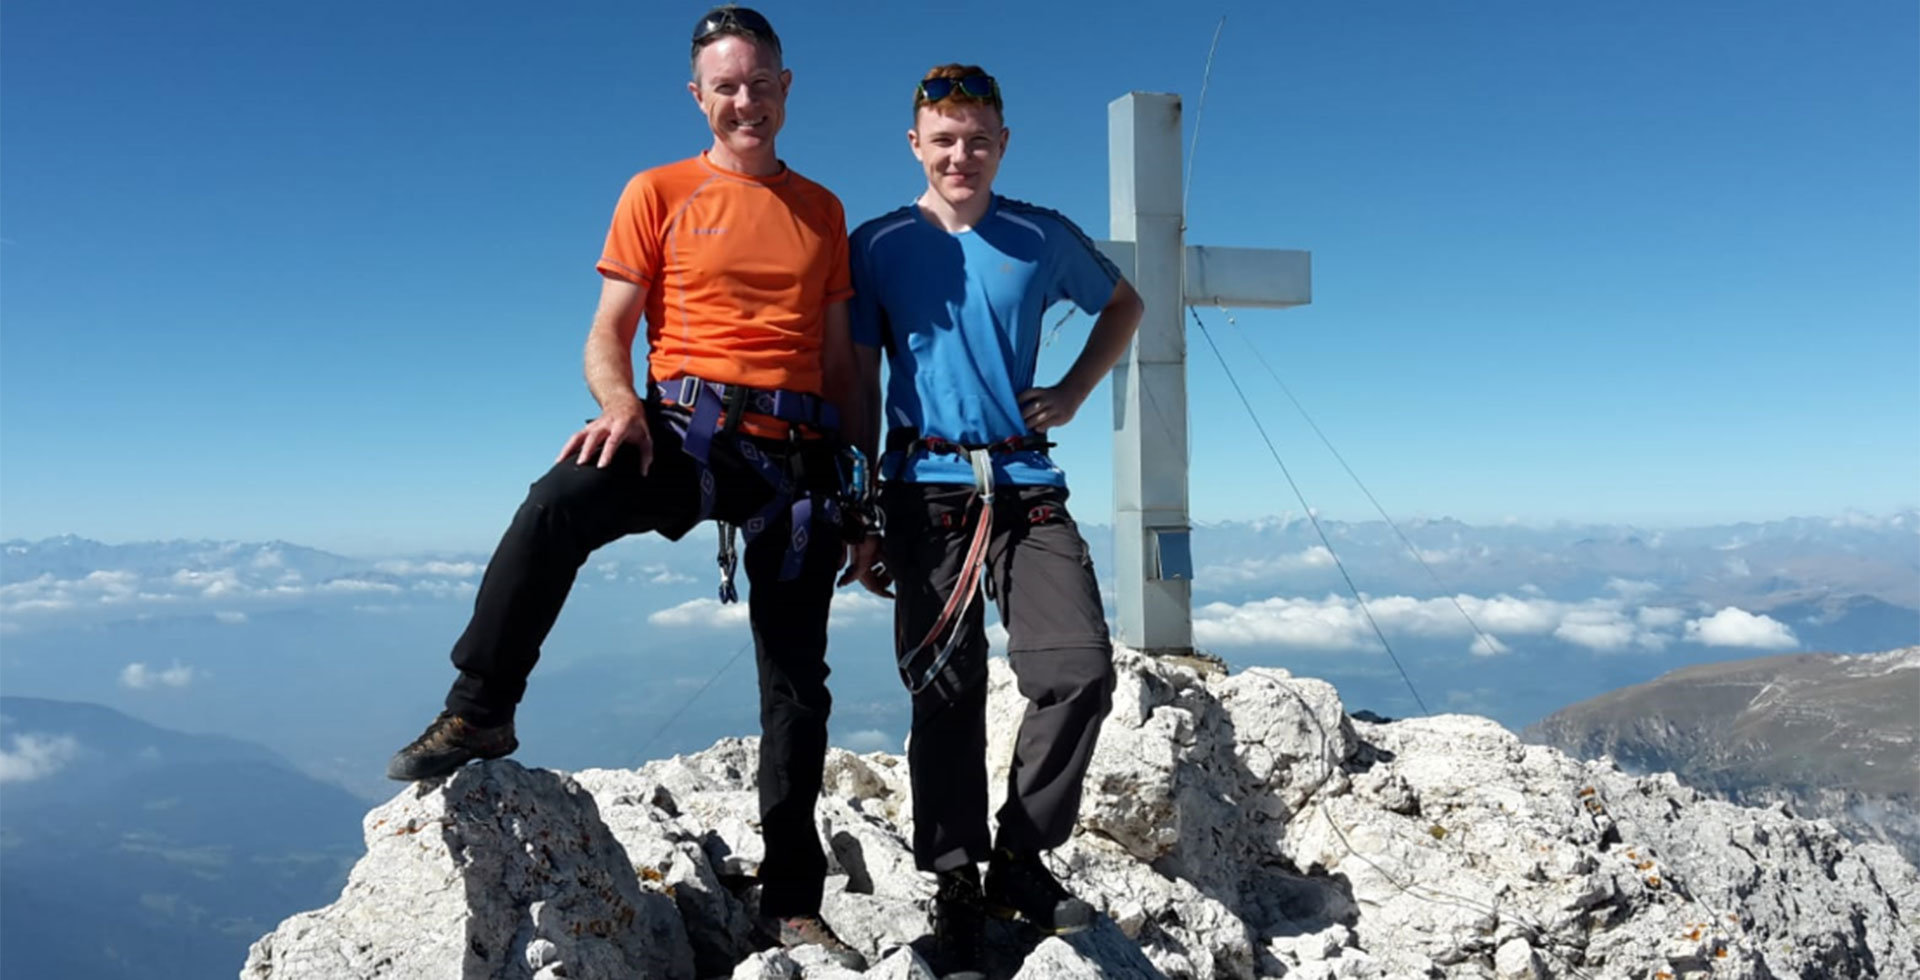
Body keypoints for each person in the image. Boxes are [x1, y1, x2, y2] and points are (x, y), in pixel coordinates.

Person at [385, 6, 874, 968]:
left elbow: (845, 366)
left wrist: (866, 490)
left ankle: (791, 898)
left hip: (800, 461)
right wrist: (617, 405)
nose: (744, 99)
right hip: (685, 435)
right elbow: (609, 331)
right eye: (725, 85)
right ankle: (482, 705)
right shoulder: (658, 190)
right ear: (699, 96)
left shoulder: (824, 210)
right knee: (560, 501)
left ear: (786, 87)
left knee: (797, 682)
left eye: (759, 81)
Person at [848, 64, 1145, 972]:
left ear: (1002, 143)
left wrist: (1075, 390)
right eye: (944, 139)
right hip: (921, 487)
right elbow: (860, 378)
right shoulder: (879, 243)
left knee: (1079, 668)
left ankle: (1020, 852)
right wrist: (862, 507)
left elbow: (1124, 302)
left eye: (978, 137)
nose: (961, 154)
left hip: (1023, 480)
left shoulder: (1038, 234)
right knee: (945, 694)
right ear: (915, 145)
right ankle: (957, 882)